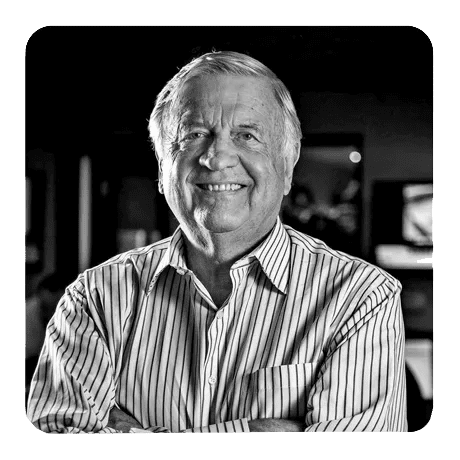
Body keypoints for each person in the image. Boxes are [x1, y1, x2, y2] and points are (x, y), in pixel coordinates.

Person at [27, 51, 407, 433]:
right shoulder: (94, 297)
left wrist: (128, 434)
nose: (216, 157)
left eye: (247, 135)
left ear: (288, 169)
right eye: (193, 134)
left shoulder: (361, 297)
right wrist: (258, 435)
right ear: (163, 170)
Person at [25, 273, 67, 398]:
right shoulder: (27, 312)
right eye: (54, 293)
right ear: (42, 292)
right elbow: (31, 350)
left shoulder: (63, 310)